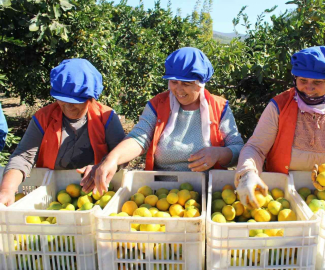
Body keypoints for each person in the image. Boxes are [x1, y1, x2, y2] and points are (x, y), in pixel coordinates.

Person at [81, 47, 244, 194]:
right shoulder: (158, 105)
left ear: (201, 83)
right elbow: (139, 137)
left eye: (186, 84)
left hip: (206, 192)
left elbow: (237, 148)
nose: (178, 89)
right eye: (173, 82)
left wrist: (218, 154)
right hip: (161, 191)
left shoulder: (219, 107)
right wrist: (112, 159)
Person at [235, 46, 325, 208]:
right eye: (303, 81)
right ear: (295, 79)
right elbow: (256, 148)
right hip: (281, 198)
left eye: (318, 82)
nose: (309, 88)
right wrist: (247, 173)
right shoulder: (279, 106)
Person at [0, 59, 125, 205]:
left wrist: (103, 165)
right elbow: (23, 157)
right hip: (53, 193)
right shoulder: (44, 118)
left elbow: (122, 155)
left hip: (96, 193)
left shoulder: (105, 117)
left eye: (76, 101)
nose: (68, 106)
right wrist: (7, 190)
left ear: (91, 98)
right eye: (62, 99)